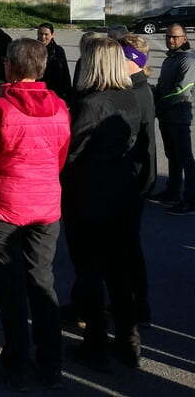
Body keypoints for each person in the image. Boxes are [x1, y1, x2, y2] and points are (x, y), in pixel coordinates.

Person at [0, 39, 70, 390]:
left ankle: (16, 361)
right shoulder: (59, 106)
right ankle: (51, 362)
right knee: (42, 281)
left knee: (11, 286)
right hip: (46, 204)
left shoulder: (0, 107)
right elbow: (60, 155)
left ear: (10, 67)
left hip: (7, 204)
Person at [62, 37, 151, 370]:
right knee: (119, 271)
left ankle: (96, 342)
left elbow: (72, 152)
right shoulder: (130, 97)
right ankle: (128, 340)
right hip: (122, 192)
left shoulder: (92, 104)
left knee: (90, 270)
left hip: (90, 196)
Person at [120, 34, 158, 326]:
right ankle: (136, 306)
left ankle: (136, 309)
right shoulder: (137, 87)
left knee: (128, 250)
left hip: (131, 181)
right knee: (128, 248)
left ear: (133, 61)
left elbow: (138, 145)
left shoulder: (134, 93)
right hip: (136, 179)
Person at [153, 24, 195, 214]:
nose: (171, 40)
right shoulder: (170, 59)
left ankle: (191, 199)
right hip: (166, 115)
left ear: (184, 38)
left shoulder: (188, 60)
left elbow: (182, 91)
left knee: (185, 158)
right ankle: (173, 191)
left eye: (175, 37)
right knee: (172, 155)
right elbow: (162, 86)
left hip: (179, 115)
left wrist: (159, 104)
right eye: (168, 36)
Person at [37, 23, 72, 103]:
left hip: (56, 92)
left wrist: (68, 93)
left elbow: (66, 73)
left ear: (52, 35)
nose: (43, 37)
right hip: (38, 91)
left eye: (46, 34)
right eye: (40, 34)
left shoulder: (58, 50)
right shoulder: (32, 50)